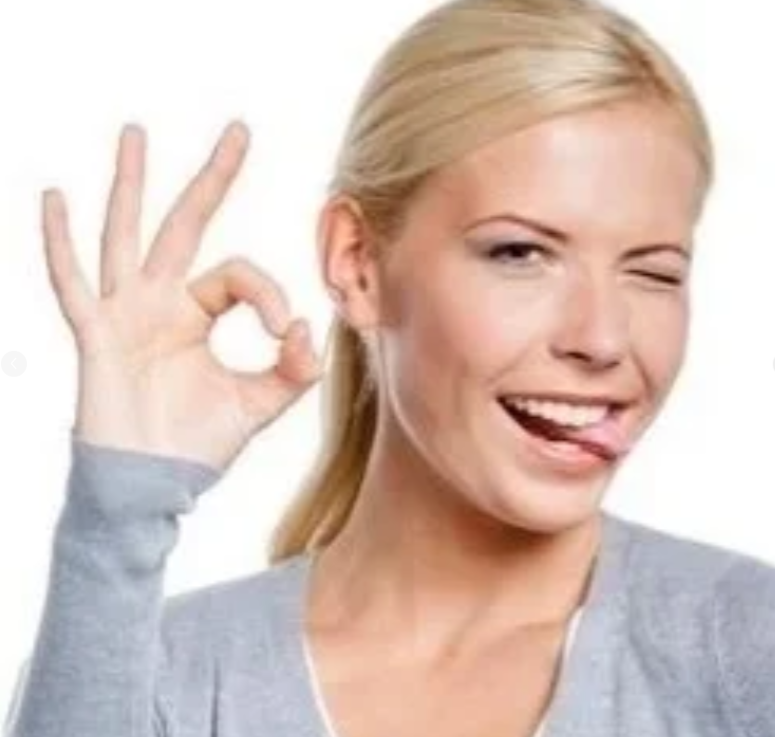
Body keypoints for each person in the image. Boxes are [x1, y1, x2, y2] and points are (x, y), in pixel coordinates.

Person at [5, 0, 775, 735]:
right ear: (357, 262)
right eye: (520, 253)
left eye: (653, 271)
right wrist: (118, 512)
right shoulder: (167, 679)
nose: (602, 338)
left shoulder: (745, 648)